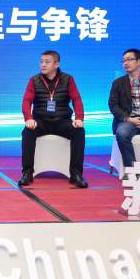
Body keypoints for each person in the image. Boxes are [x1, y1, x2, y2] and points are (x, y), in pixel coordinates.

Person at [19, 50, 87, 188]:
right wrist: (28, 118)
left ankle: (76, 174)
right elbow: (26, 101)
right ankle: (27, 173)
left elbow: (76, 99)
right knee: (27, 132)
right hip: (41, 121)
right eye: (41, 62)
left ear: (56, 64)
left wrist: (79, 118)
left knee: (79, 132)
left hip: (62, 121)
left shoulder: (68, 79)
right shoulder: (34, 80)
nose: (43, 65)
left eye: (47, 62)